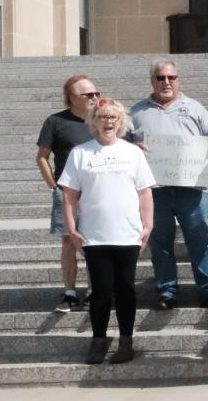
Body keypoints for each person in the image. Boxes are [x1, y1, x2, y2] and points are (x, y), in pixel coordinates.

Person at [58, 98, 154, 365]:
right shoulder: (81, 153)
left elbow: (144, 192)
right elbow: (69, 195)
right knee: (100, 291)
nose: (108, 122)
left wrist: (148, 225)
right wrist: (72, 228)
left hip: (127, 234)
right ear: (94, 122)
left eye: (113, 118)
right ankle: (98, 339)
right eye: (103, 117)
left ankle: (126, 341)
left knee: (125, 289)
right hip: (95, 235)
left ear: (120, 122)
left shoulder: (133, 153)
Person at [129, 58, 208, 310]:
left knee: (199, 239)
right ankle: (167, 290)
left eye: (171, 77)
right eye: (161, 78)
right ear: (152, 81)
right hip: (155, 191)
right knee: (160, 243)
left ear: (178, 79)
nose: (166, 82)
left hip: (191, 189)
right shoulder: (136, 113)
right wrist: (132, 148)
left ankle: (207, 289)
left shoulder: (195, 109)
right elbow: (122, 146)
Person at [37, 74, 98, 312]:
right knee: (68, 242)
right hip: (67, 192)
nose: (94, 98)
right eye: (88, 94)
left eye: (96, 93)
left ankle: (95, 291)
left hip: (96, 192)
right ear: (72, 98)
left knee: (95, 242)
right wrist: (53, 185)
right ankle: (70, 293)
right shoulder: (55, 122)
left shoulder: (102, 120)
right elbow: (42, 156)